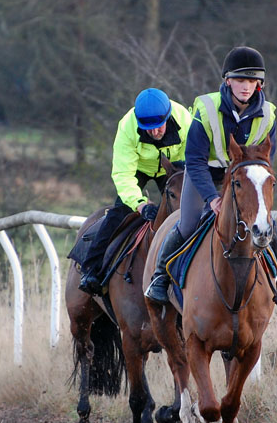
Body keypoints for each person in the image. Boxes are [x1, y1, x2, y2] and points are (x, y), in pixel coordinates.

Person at [145, 46, 277, 305]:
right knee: (187, 224)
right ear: (227, 81)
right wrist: (211, 197)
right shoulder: (206, 109)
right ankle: (160, 276)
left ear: (259, 84)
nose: (245, 86)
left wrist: (256, 190)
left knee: (264, 222)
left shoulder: (268, 115)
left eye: (252, 81)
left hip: (243, 178)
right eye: (240, 80)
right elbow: (194, 161)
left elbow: (265, 161)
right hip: (203, 176)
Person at [77, 88, 192, 295]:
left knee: (190, 209)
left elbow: (192, 157)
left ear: (168, 117)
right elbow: (123, 174)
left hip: (175, 167)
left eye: (159, 127)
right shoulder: (127, 126)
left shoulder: (185, 119)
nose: (155, 133)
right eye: (148, 129)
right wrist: (139, 204)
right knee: (117, 214)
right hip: (138, 168)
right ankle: (91, 269)